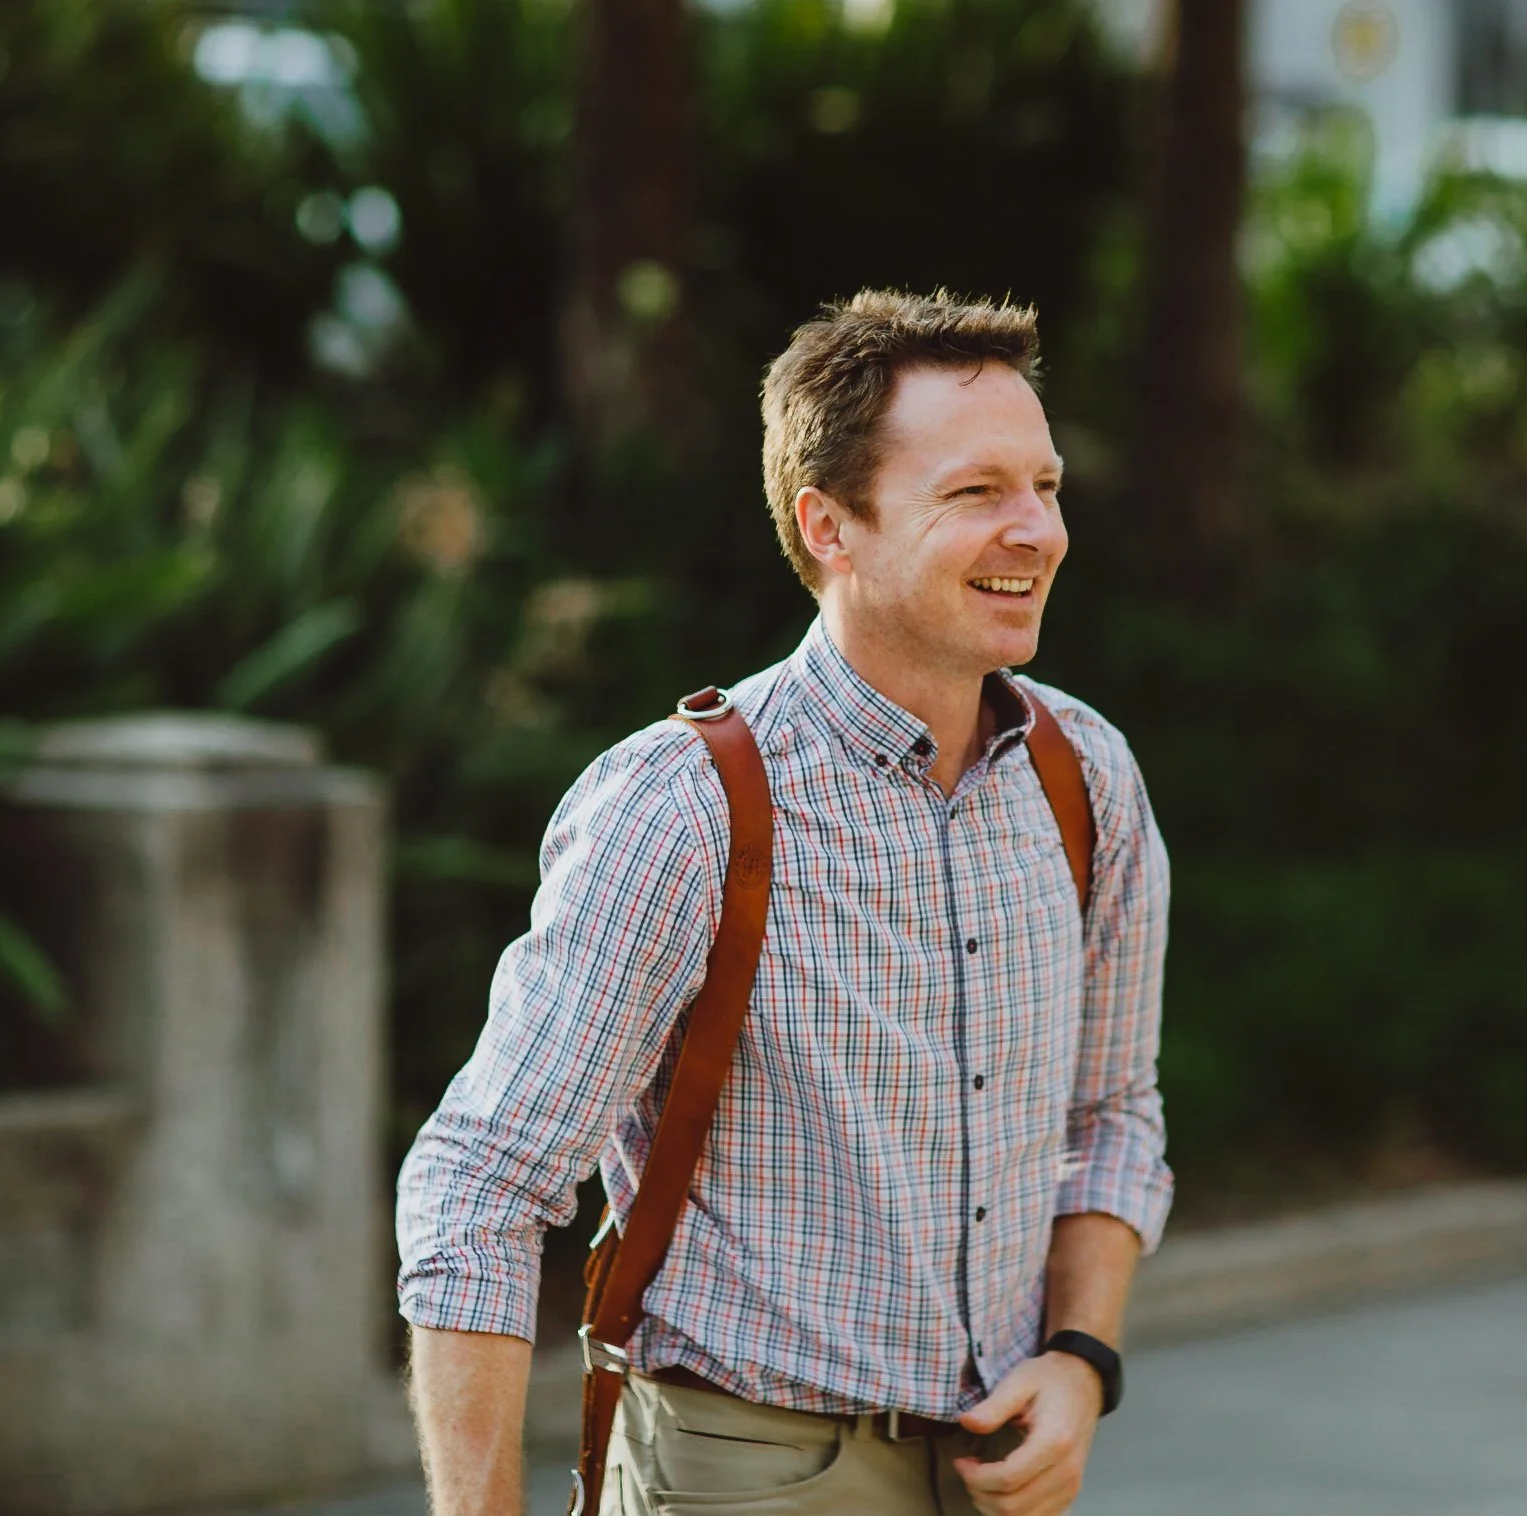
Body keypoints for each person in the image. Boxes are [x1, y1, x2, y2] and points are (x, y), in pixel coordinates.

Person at [396, 289, 1173, 1516]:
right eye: (976, 493)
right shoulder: (686, 806)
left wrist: (1080, 1359)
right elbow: (479, 1182)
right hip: (748, 1469)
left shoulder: (1089, 780)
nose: (1038, 530)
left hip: (999, 1469)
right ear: (830, 527)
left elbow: (1112, 1113)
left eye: (1047, 484)